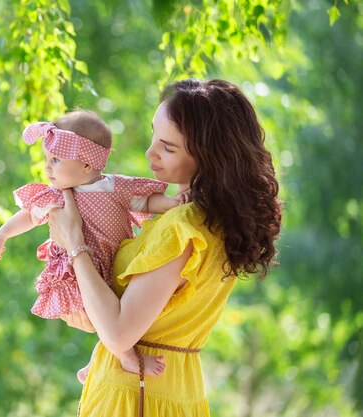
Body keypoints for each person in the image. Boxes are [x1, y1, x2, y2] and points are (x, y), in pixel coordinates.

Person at [48, 79, 282, 416]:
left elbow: (118, 334)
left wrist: (75, 244)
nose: (150, 153)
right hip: (178, 389)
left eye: (168, 147)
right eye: (154, 135)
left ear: (210, 158)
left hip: (135, 395)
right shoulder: (215, 223)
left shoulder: (182, 227)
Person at [0, 110, 188, 321]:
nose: (47, 167)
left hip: (119, 263)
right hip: (80, 271)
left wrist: (171, 203)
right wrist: (2, 234)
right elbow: (29, 216)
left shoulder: (115, 187)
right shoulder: (57, 197)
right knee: (94, 316)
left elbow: (146, 202)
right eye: (47, 158)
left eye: (55, 160)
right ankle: (126, 352)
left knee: (131, 310)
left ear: (87, 164)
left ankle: (127, 345)